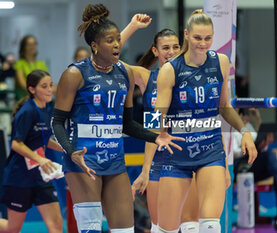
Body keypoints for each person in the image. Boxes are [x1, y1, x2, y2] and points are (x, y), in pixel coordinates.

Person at [51, 4, 183, 233]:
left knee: (126, 229)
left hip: (115, 161)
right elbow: (57, 122)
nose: (117, 45)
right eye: (110, 41)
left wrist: (155, 138)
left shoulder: (126, 73)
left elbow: (127, 123)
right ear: (93, 45)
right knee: (91, 228)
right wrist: (71, 152)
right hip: (84, 161)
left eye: (176, 47)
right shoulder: (75, 74)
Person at [147, 9, 257, 233]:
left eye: (208, 38)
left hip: (210, 149)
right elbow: (157, 115)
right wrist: (157, 135)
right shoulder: (169, 70)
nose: (203, 43)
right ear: (186, 35)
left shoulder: (221, 62)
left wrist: (244, 131)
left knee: (209, 224)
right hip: (176, 152)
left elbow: (224, 107)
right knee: (165, 227)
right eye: (198, 38)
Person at [129, 28, 201, 233]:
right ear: (155, 50)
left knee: (190, 224)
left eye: (175, 47)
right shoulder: (147, 78)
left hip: (186, 156)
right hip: (158, 162)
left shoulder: (191, 76)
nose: (171, 52)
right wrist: (132, 27)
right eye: (165, 48)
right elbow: (111, 62)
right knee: (159, 226)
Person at [0, 69, 64, 233]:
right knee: (12, 229)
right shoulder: (27, 112)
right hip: (19, 178)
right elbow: (16, 144)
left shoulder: (47, 110)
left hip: (41, 178)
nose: (50, 89)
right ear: (32, 89)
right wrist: (41, 159)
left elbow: (43, 139)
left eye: (51, 85)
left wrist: (66, 148)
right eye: (44, 86)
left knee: (56, 227)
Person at [233, 108, 277, 226]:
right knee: (272, 161)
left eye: (247, 119)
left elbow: (259, 140)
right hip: (240, 167)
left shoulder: (248, 127)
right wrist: (248, 149)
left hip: (252, 164)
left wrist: (264, 143)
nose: (246, 120)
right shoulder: (231, 129)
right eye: (244, 117)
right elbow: (233, 153)